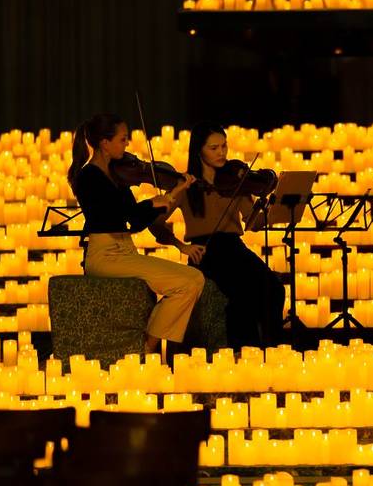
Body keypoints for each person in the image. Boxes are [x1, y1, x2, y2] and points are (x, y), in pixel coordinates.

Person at [67, 112, 205, 355]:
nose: (127, 144)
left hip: (125, 251)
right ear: (104, 143)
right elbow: (112, 217)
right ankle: (147, 348)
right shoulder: (88, 177)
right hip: (105, 256)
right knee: (185, 283)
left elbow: (136, 221)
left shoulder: (117, 175)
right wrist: (153, 202)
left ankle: (145, 343)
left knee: (194, 279)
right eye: (122, 139)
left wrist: (174, 194)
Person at [154, 122, 285, 348]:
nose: (221, 152)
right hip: (205, 251)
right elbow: (155, 222)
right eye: (214, 148)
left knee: (274, 287)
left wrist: (277, 209)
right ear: (199, 151)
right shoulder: (185, 184)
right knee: (243, 294)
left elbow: (253, 223)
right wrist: (181, 246)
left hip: (234, 247)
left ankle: (270, 350)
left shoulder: (236, 179)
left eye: (224, 146)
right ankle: (244, 353)